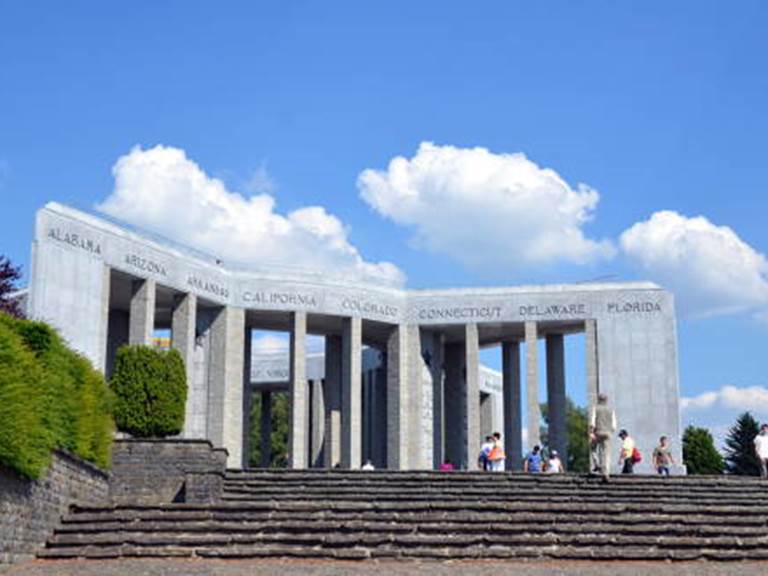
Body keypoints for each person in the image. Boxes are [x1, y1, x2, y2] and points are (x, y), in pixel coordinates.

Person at [589, 393, 617, 479]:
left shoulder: (596, 408)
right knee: (606, 453)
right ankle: (606, 472)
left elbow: (592, 421)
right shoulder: (611, 410)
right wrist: (611, 431)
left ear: (598, 400)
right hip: (608, 433)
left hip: (598, 432)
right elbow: (614, 425)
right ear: (606, 400)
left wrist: (591, 432)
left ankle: (597, 464)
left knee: (592, 447)